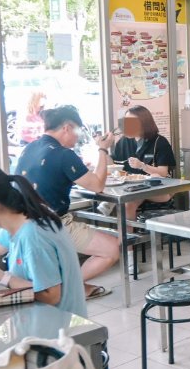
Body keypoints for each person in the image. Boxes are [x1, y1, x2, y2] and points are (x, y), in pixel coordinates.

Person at [0, 166, 86, 316]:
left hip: (59, 328)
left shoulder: (32, 235)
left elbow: (50, 296)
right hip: (47, 321)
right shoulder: (23, 216)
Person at [15, 105, 118, 299]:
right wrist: (103, 149)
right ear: (67, 127)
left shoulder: (29, 148)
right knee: (111, 249)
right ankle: (69, 287)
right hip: (52, 223)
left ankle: (71, 286)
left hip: (25, 221)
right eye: (77, 131)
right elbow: (97, 186)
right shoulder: (63, 154)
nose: (77, 137)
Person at [111, 105, 176, 222]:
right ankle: (125, 238)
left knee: (129, 203)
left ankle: (128, 238)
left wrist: (142, 166)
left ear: (143, 123)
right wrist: (102, 149)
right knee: (124, 201)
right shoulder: (123, 142)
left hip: (159, 188)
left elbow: (163, 172)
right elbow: (113, 164)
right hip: (131, 188)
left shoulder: (159, 142)